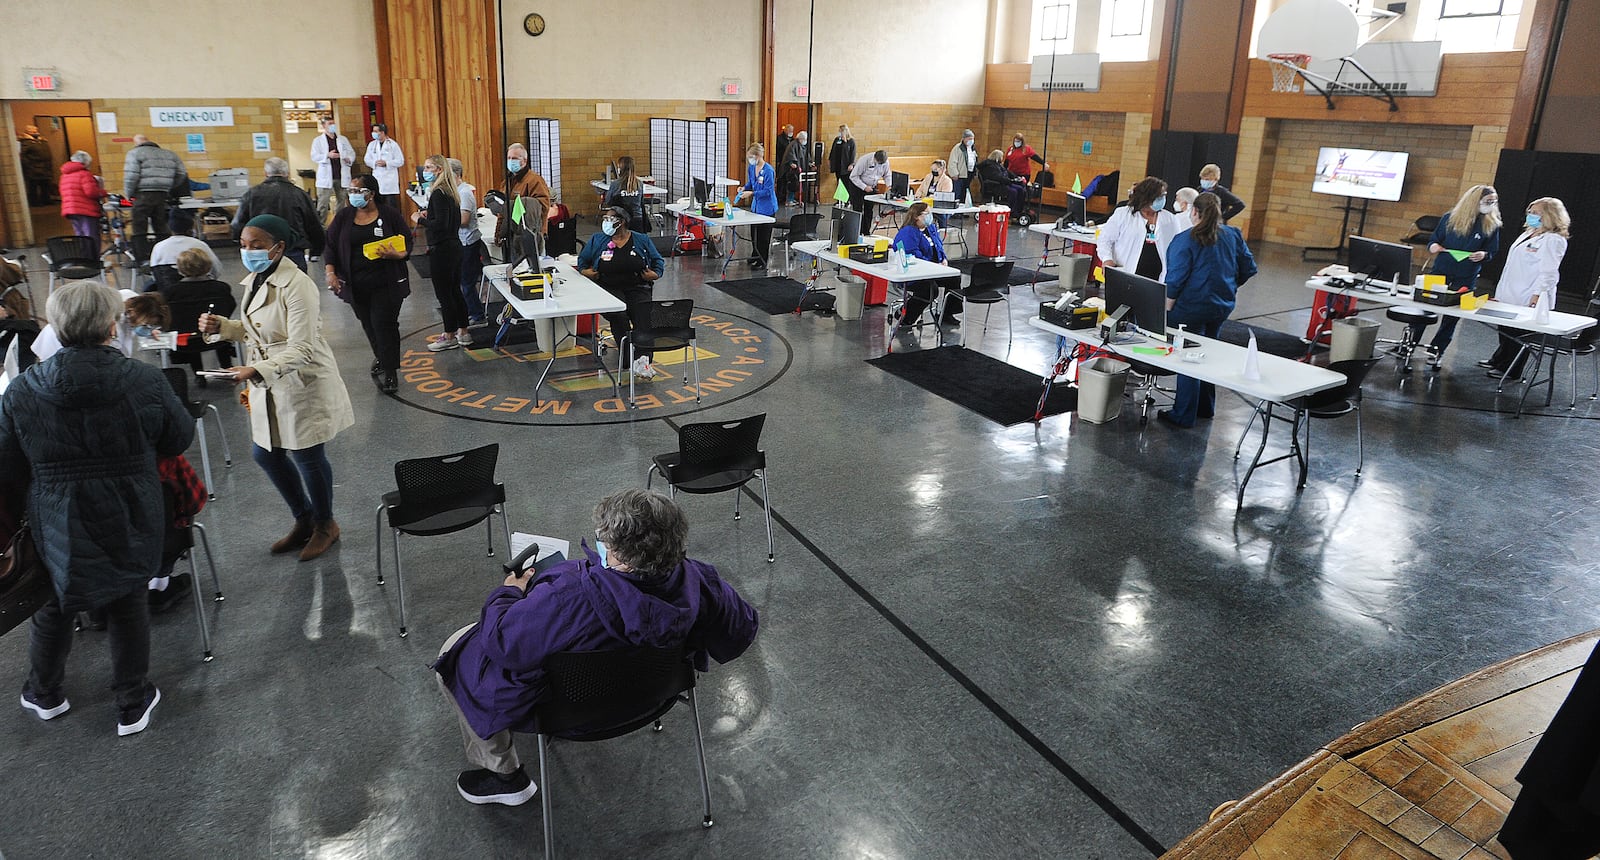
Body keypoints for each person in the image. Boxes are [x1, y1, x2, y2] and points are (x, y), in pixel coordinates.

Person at [432, 489, 759, 806]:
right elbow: (741, 627)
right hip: (653, 693)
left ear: (623, 558)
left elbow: (503, 643)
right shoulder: (699, 579)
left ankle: (505, 776)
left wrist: (508, 593)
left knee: (456, 649)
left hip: (572, 710)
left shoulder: (570, 599)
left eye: (607, 542)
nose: (602, 546)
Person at [0, 280, 194, 736]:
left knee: (53, 601)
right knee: (129, 599)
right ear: (111, 325)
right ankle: (132, 701)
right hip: (130, 505)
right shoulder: (143, 379)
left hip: (55, 512)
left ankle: (44, 692)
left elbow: (6, 465)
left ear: (58, 327)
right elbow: (177, 437)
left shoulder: (24, 389)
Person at [198, 214, 354, 562]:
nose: (248, 251)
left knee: (306, 455)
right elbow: (259, 329)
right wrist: (222, 326)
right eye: (243, 245)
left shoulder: (298, 286)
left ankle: (326, 524)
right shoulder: (256, 277)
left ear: (279, 248)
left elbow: (302, 348)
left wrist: (254, 368)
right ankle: (304, 519)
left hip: (302, 381)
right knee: (265, 453)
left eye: (257, 245)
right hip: (270, 379)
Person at [1159, 192, 1258, 428]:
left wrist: (1167, 307)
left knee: (1188, 358)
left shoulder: (1185, 239)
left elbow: (1176, 279)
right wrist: (1230, 286)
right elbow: (1249, 268)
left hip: (1189, 308)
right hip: (1220, 306)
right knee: (1208, 353)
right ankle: (1205, 407)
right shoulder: (1232, 235)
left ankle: (1183, 414)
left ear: (1194, 212)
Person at [326, 174, 411, 395]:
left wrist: (397, 254)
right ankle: (382, 358)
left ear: (371, 194)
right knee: (369, 324)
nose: (352, 195)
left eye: (357, 191)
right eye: (350, 191)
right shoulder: (344, 216)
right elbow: (331, 246)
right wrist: (330, 272)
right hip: (356, 284)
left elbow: (407, 241)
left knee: (384, 325)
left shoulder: (390, 215)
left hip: (386, 282)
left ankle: (390, 371)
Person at [1406, 185, 1501, 369]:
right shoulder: (1450, 219)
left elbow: (1491, 251)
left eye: (1493, 202)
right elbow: (1435, 240)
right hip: (1442, 269)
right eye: (1487, 202)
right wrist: (1434, 247)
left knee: (1452, 317)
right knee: (1425, 307)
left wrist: (1483, 254)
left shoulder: (1492, 224)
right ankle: (1409, 345)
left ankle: (1436, 351)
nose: (1491, 205)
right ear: (1474, 202)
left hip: (1466, 274)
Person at [1484, 197, 1570, 380]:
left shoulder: (1553, 240)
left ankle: (1511, 369)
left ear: (1549, 216)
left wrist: (1538, 294)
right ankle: (1498, 360)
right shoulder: (1529, 233)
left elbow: (1549, 272)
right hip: (1510, 290)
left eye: (1536, 213)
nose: (1531, 216)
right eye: (1530, 212)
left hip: (1529, 294)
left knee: (1519, 334)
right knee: (1506, 330)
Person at [577, 205, 666, 379]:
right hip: (607, 287)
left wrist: (655, 274)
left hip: (637, 286)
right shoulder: (597, 240)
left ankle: (643, 361)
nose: (605, 222)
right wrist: (585, 271)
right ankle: (627, 358)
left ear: (622, 222)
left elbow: (658, 261)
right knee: (619, 315)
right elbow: (583, 261)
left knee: (643, 317)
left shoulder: (641, 240)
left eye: (609, 219)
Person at [409, 155, 471, 351]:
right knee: (454, 291)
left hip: (443, 249)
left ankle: (449, 334)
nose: (424, 171)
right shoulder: (451, 192)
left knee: (444, 294)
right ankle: (463, 331)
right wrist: (431, 214)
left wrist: (419, 219)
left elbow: (440, 225)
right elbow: (445, 218)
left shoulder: (438, 192)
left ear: (438, 170)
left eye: (428, 168)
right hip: (454, 246)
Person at [231, 158, 325, 271]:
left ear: (265, 173)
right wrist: (316, 251)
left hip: (262, 253)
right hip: (293, 251)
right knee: (295, 285)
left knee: (263, 286)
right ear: (287, 174)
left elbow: (237, 224)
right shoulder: (300, 194)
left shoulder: (251, 194)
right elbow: (313, 225)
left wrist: (246, 245)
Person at [162, 247, 238, 375]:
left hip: (186, 341)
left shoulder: (170, 292)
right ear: (208, 266)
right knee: (219, 327)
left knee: (189, 327)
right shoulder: (221, 288)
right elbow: (229, 307)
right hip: (218, 336)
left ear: (180, 269)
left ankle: (198, 373)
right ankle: (227, 366)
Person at [1097, 176, 1185, 282]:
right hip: (1126, 272)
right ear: (1147, 197)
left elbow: (1178, 246)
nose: (1163, 199)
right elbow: (1104, 240)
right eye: (1160, 196)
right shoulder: (1123, 214)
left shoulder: (1170, 219)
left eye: (1164, 195)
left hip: (1157, 278)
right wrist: (1107, 259)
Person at [891, 201, 962, 329]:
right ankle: (905, 318)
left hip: (934, 269)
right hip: (915, 273)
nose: (930, 216)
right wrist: (932, 266)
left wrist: (943, 259)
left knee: (954, 278)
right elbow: (911, 256)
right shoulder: (908, 232)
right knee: (929, 289)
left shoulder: (931, 228)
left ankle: (947, 313)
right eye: (927, 213)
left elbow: (939, 246)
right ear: (916, 216)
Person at [123, 135, 189, 263]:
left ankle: (142, 258)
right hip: (163, 193)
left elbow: (131, 175)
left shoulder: (135, 153)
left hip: (142, 193)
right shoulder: (169, 154)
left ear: (137, 144)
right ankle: (166, 256)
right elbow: (181, 173)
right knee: (161, 225)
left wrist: (129, 194)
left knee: (139, 225)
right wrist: (169, 185)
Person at [448, 158, 486, 326]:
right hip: (463, 242)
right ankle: (471, 311)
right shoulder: (457, 191)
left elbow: (464, 220)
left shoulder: (464, 193)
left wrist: (444, 220)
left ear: (455, 175)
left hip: (468, 243)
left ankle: (478, 315)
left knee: (467, 282)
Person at [498, 144, 553, 248]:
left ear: (524, 160)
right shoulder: (506, 182)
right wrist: (499, 233)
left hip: (530, 233)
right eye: (509, 158)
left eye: (514, 158)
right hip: (511, 234)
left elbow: (543, 207)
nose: (510, 161)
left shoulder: (535, 180)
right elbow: (503, 211)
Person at [737, 143, 778, 271]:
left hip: (767, 207)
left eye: (752, 157)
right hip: (756, 207)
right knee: (754, 233)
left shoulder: (768, 171)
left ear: (759, 155)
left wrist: (752, 193)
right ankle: (755, 255)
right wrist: (744, 188)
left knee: (763, 235)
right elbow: (751, 182)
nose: (751, 159)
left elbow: (768, 191)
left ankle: (763, 260)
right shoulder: (751, 168)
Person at [310, 118, 356, 223]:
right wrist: (327, 155)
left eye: (333, 123)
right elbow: (314, 156)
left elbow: (351, 153)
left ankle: (338, 223)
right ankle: (321, 225)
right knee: (323, 203)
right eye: (330, 124)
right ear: (323, 126)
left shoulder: (342, 139)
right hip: (326, 177)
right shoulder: (318, 141)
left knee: (342, 201)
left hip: (341, 175)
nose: (332, 125)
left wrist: (348, 158)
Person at [148, 232, 222, 289]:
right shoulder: (200, 244)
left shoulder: (158, 246)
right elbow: (216, 269)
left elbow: (155, 273)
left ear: (180, 270)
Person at [59, 151, 106, 238]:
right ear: (86, 162)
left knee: (80, 235)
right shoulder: (85, 174)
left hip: (70, 209)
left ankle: (83, 251)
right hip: (86, 210)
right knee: (90, 236)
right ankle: (91, 252)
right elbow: (91, 192)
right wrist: (103, 192)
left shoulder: (64, 175)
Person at [603, 155, 650, 234]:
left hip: (621, 219)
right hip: (638, 219)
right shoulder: (639, 184)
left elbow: (608, 201)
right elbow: (641, 201)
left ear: (620, 168)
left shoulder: (615, 184)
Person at [362, 123, 406, 208]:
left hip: (389, 180)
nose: (373, 133)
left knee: (390, 205)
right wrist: (375, 162)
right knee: (378, 205)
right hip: (377, 177)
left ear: (382, 132)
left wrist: (387, 163)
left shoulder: (393, 144)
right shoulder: (372, 145)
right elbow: (366, 159)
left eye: (375, 131)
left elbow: (400, 161)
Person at [847, 149, 892, 230]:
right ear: (874, 158)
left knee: (869, 209)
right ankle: (857, 232)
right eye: (878, 163)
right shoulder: (864, 160)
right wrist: (864, 187)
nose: (880, 165)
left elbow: (887, 175)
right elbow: (853, 176)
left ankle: (866, 231)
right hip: (857, 185)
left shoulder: (885, 162)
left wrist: (889, 185)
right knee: (858, 209)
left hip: (872, 186)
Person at [19, 125, 55, 206]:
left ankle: (46, 199)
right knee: (33, 186)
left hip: (45, 167)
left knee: (45, 185)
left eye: (36, 130)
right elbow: (23, 156)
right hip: (33, 168)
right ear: (28, 132)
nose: (36, 132)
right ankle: (34, 202)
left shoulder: (42, 141)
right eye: (33, 131)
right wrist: (29, 166)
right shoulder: (25, 142)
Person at [914, 159, 955, 228]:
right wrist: (917, 196)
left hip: (938, 206)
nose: (933, 171)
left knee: (942, 216)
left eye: (936, 169)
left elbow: (944, 195)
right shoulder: (928, 177)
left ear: (942, 170)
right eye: (932, 169)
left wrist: (931, 197)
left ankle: (941, 231)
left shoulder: (947, 181)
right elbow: (920, 189)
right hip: (925, 203)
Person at [780, 130, 810, 207]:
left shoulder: (801, 146)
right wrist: (792, 163)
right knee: (793, 184)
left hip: (798, 169)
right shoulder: (793, 145)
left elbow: (806, 156)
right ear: (801, 139)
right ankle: (789, 200)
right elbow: (789, 155)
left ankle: (792, 199)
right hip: (791, 170)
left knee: (797, 184)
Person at [948, 129, 978, 206]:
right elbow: (952, 161)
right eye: (969, 139)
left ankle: (962, 210)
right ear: (964, 138)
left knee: (964, 193)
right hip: (960, 175)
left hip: (969, 174)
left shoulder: (972, 148)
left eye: (972, 139)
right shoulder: (958, 148)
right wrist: (954, 173)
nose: (971, 141)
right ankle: (955, 210)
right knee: (957, 193)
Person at [828, 124, 856, 195]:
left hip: (846, 165)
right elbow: (833, 150)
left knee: (845, 182)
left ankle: (847, 200)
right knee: (839, 181)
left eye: (841, 131)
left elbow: (852, 153)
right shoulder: (837, 140)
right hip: (838, 164)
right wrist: (830, 160)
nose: (839, 133)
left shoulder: (851, 141)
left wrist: (851, 164)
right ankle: (839, 200)